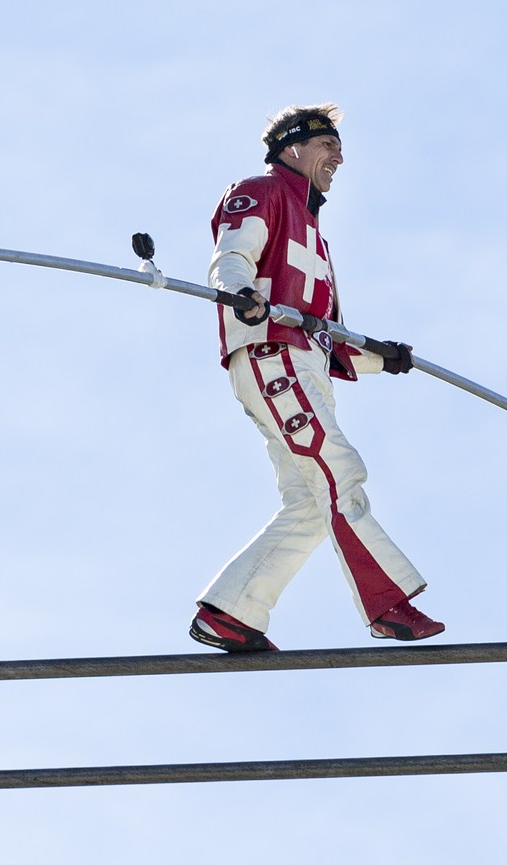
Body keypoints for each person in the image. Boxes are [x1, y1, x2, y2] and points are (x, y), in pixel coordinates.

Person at [190, 103, 445, 652]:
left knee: (310, 502)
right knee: (339, 471)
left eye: (338, 146)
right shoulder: (261, 190)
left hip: (300, 363)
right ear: (293, 148)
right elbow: (232, 255)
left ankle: (230, 613)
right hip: (271, 355)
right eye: (327, 144)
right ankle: (387, 604)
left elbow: (331, 341)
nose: (339, 156)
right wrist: (243, 296)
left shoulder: (316, 237)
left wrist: (382, 357)